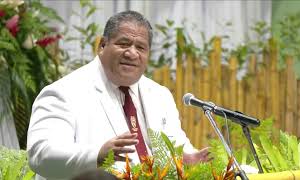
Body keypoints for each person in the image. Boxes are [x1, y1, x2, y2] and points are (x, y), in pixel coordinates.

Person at [27, 10, 210, 179]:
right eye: (123, 44)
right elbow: (41, 155)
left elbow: (177, 146)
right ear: (102, 45)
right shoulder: (64, 92)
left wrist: (191, 159)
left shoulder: (160, 95)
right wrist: (98, 155)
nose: (132, 53)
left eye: (140, 47)